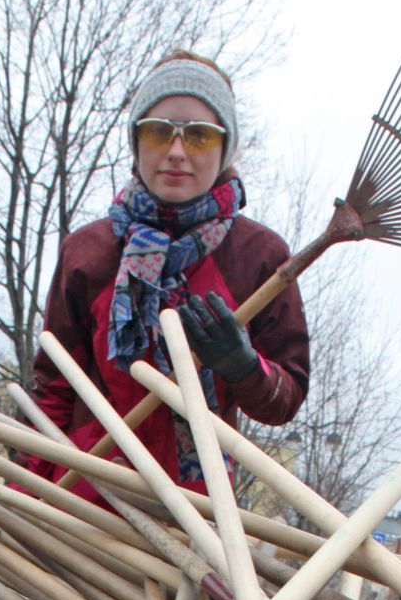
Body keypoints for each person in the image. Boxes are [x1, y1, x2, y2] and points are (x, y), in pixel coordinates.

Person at [28, 49, 309, 500]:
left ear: (226, 148)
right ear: (136, 141)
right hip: (85, 506)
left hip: (193, 511)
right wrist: (25, 500)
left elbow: (286, 399)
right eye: (160, 133)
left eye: (199, 136)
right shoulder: (89, 252)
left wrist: (243, 367)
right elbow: (53, 390)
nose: (176, 152)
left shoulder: (260, 258)